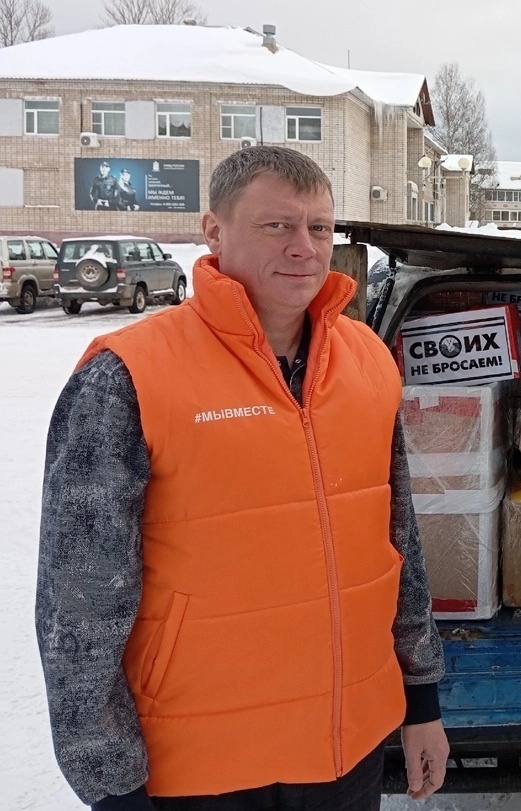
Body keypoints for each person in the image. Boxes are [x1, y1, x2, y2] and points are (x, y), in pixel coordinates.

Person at [37, 146, 449, 810]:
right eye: (276, 226)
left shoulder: (368, 361)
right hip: (203, 770)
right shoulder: (129, 377)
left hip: (345, 755)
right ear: (214, 231)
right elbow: (77, 608)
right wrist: (111, 782)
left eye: (319, 227)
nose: (305, 248)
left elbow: (400, 544)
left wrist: (422, 698)